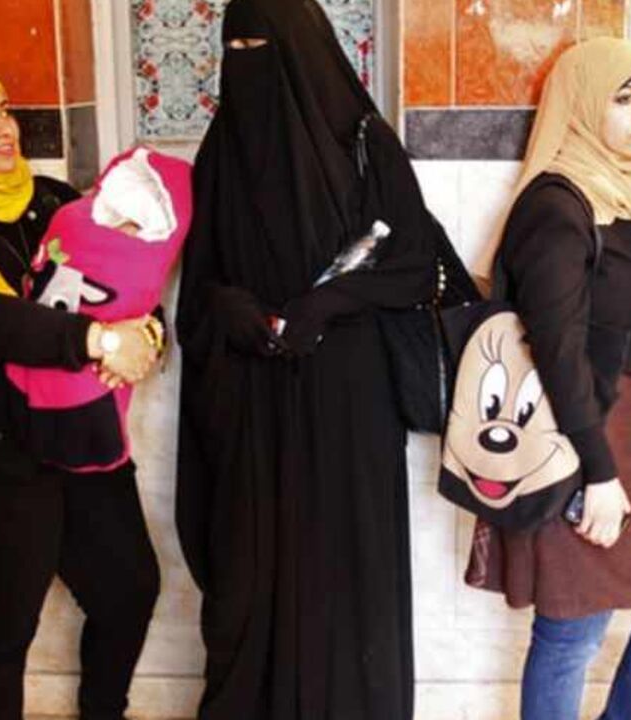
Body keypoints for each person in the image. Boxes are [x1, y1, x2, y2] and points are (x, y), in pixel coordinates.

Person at [174, 0, 464, 717]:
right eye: (234, 44)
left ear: (304, 49)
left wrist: (323, 306)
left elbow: (412, 264)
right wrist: (233, 308)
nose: (246, 59)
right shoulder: (223, 150)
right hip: (252, 394)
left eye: (262, 43)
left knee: (343, 568)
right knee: (250, 569)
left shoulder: (365, 139)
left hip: (346, 398)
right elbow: (204, 275)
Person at [463, 38, 631, 720]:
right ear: (578, 106)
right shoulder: (558, 207)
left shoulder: (607, 191)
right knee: (573, 626)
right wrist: (597, 475)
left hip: (622, 427)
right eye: (624, 98)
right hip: (580, 437)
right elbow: (557, 350)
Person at [0, 60, 161, 720]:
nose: (3, 129)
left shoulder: (55, 202)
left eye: (3, 110)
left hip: (75, 432)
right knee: (1, 628)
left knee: (128, 590)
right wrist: (95, 341)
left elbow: (124, 284)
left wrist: (143, 336)